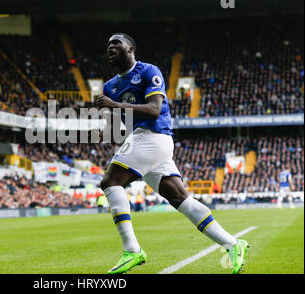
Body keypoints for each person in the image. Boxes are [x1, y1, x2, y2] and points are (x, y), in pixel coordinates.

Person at [94, 32, 249, 274]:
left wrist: (116, 105)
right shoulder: (110, 86)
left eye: (116, 45)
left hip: (154, 136)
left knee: (110, 182)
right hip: (148, 143)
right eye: (108, 46)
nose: (110, 49)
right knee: (181, 200)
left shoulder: (148, 71)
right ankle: (233, 243)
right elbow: (117, 120)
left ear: (130, 49)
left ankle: (133, 250)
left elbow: (155, 110)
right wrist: (105, 128)